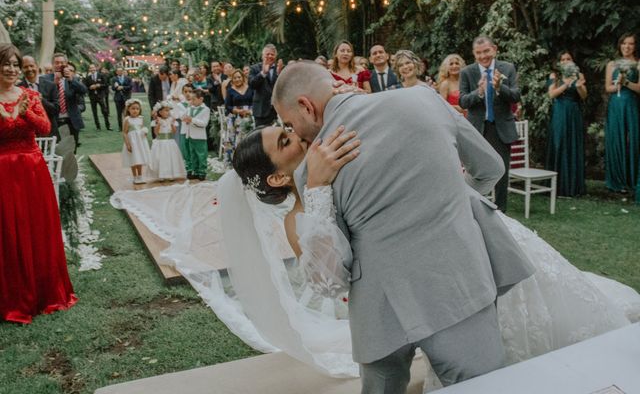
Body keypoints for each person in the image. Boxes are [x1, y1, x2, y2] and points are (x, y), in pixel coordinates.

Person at [111, 115, 640, 387]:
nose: (295, 134)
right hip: (418, 288)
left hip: (467, 244)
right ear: (276, 174)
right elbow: (328, 284)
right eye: (283, 140)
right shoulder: (300, 215)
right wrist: (315, 188)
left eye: (287, 128)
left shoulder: (332, 148)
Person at [272, 61, 536, 390]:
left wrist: (315, 189)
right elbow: (490, 168)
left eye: (290, 123)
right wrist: (450, 199)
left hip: (380, 313)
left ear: (305, 106)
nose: (295, 133)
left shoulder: (312, 171)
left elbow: (330, 279)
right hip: (458, 286)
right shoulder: (424, 99)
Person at [0, 43, 77, 324]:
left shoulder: (30, 95)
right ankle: (13, 297)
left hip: (32, 170)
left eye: (15, 64)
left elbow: (44, 128)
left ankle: (45, 292)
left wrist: (24, 112)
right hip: (3, 171)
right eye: (5, 63)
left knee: (37, 228)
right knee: (8, 233)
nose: (11, 69)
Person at [459, 35, 521, 213]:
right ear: (474, 54)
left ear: (494, 49)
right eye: (478, 53)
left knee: (502, 171)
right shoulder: (467, 72)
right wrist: (479, 91)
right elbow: (463, 101)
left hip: (500, 128)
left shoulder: (507, 68)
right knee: (476, 171)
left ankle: (501, 212)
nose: (483, 56)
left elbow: (516, 96)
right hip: (477, 129)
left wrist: (500, 87)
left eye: (486, 51)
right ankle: (475, 209)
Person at [546, 51, 587, 197]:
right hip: (559, 112)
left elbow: (583, 96)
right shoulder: (554, 76)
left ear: (573, 60)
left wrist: (579, 85)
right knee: (559, 143)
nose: (566, 61)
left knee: (572, 144)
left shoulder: (579, 75)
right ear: (559, 62)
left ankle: (573, 187)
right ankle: (557, 186)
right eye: (562, 59)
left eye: (568, 58)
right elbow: (551, 94)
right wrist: (567, 84)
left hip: (573, 112)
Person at [604, 33, 639, 194]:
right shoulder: (612, 64)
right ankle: (616, 181)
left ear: (635, 46)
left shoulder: (638, 64)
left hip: (632, 104)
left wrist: (626, 82)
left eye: (631, 44)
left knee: (634, 139)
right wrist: (617, 84)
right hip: (616, 105)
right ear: (620, 45)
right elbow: (608, 88)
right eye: (624, 43)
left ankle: (632, 180)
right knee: (615, 139)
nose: (627, 47)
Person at [18, 55, 59, 136]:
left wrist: (42, 100)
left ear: (37, 66)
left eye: (31, 66)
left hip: (49, 134)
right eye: (25, 67)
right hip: (27, 134)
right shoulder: (17, 88)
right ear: (21, 69)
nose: (29, 69)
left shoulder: (51, 85)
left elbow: (56, 110)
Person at [54, 57, 88, 151]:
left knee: (73, 150)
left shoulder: (72, 81)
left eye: (62, 63)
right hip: (56, 120)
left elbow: (84, 90)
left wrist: (71, 79)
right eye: (57, 63)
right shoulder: (50, 79)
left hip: (72, 120)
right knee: (58, 149)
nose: (60, 65)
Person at [149, 102, 187, 181]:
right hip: (161, 142)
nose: (168, 112)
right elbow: (156, 133)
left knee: (170, 158)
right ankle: (161, 175)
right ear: (160, 112)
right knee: (161, 159)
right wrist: (158, 124)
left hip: (170, 142)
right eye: (166, 110)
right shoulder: (157, 120)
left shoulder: (171, 120)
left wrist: (172, 124)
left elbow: (173, 132)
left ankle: (170, 174)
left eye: (169, 111)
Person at [121, 99, 151, 185]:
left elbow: (140, 129)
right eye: (133, 108)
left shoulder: (140, 119)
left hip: (140, 142)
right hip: (132, 142)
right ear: (128, 109)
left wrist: (144, 132)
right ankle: (135, 177)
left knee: (139, 158)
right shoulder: (127, 119)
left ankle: (140, 176)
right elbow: (125, 132)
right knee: (133, 159)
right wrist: (128, 144)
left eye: (137, 109)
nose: (135, 110)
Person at [249, 44, 279, 127]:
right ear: (263, 56)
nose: (270, 56)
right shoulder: (254, 68)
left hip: (277, 110)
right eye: (267, 54)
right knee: (260, 137)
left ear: (275, 56)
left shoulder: (279, 69)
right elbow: (252, 84)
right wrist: (263, 73)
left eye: (272, 54)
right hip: (261, 110)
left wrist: (280, 74)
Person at [183, 90, 210, 180]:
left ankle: (202, 172)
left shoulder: (206, 109)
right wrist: (186, 119)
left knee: (201, 155)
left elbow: (204, 123)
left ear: (201, 99)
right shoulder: (190, 108)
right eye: (191, 99)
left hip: (200, 136)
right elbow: (184, 116)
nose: (192, 101)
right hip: (190, 135)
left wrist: (192, 120)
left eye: (194, 99)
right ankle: (194, 171)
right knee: (192, 154)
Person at [172, 83, 194, 173]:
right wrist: (189, 107)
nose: (188, 94)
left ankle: (195, 166)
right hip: (185, 130)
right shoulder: (180, 105)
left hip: (194, 130)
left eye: (190, 91)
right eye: (185, 92)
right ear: (182, 93)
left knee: (194, 148)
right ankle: (188, 167)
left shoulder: (196, 104)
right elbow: (182, 117)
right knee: (186, 149)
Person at [84, 63, 111, 130]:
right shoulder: (88, 78)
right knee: (94, 112)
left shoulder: (101, 75)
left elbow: (106, 84)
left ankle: (108, 126)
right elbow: (85, 87)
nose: (92, 69)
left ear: (95, 68)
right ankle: (98, 127)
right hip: (92, 97)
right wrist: (90, 87)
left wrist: (99, 85)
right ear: (89, 69)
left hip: (100, 96)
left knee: (104, 111)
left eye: (93, 67)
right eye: (90, 68)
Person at [112, 67, 132, 131]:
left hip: (126, 97)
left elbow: (130, 86)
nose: (120, 72)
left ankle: (127, 126)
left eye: (121, 71)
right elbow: (112, 88)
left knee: (127, 113)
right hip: (118, 98)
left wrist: (123, 87)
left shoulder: (128, 78)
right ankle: (120, 127)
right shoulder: (114, 79)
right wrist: (116, 88)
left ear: (123, 71)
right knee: (119, 113)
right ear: (116, 72)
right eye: (118, 71)